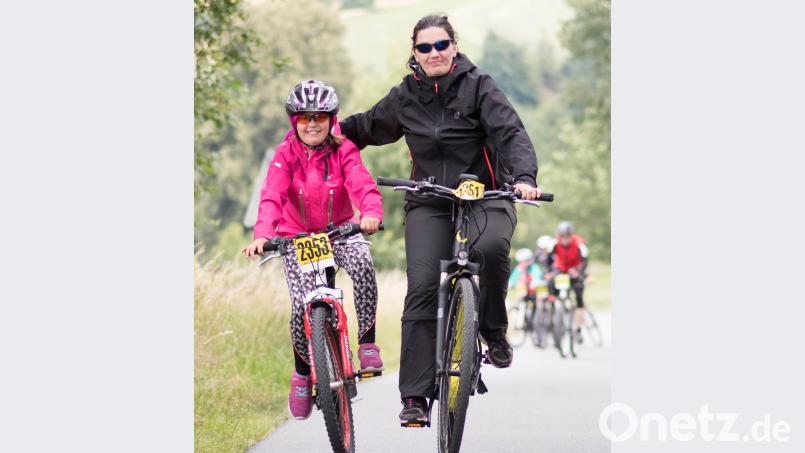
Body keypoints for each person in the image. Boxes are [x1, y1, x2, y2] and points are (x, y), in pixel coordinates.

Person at [339, 15, 541, 425]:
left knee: (489, 250)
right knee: (423, 284)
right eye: (424, 47)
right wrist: (315, 133)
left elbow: (510, 133)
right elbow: (365, 128)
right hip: (430, 199)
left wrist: (522, 179)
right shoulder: (407, 95)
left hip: (487, 194)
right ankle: (414, 396)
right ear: (414, 53)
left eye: (441, 45)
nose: (434, 53)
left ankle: (492, 329)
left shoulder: (480, 86)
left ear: (454, 46)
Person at [242, 80, 384, 420]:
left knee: (363, 261)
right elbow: (272, 196)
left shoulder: (344, 148)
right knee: (299, 309)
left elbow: (361, 182)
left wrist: (371, 214)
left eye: (320, 117)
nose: (312, 124)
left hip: (340, 232)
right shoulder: (285, 154)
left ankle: (366, 343)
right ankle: (303, 373)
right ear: (294, 121)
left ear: (331, 119)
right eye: (304, 118)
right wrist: (263, 234)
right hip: (297, 238)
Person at [545, 221, 589, 338]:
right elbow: (548, 261)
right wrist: (548, 272)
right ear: (559, 236)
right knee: (550, 283)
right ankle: (556, 309)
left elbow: (585, 260)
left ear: (571, 235)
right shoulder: (554, 244)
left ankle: (578, 328)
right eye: (562, 236)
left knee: (579, 295)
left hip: (575, 270)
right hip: (561, 269)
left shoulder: (579, 243)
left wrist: (578, 271)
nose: (565, 239)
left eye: (567, 236)